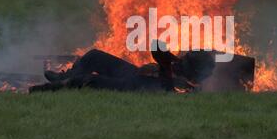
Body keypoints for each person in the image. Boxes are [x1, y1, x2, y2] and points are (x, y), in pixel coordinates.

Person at [29, 44, 216, 93]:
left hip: (132, 86)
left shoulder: (182, 86)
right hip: (135, 74)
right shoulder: (178, 70)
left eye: (186, 59)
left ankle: (44, 90)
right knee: (94, 55)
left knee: (89, 81)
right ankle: (62, 77)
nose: (181, 58)